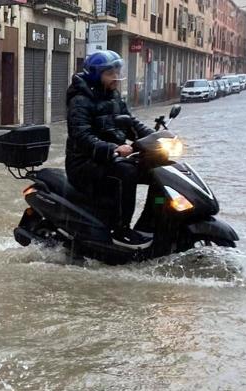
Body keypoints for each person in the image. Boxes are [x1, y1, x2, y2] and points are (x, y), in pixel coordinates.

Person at [65, 50, 154, 249]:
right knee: (127, 172)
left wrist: (157, 137)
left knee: (155, 169)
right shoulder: (80, 100)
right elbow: (81, 136)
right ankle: (120, 231)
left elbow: (131, 123)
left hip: (109, 159)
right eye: (110, 73)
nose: (116, 77)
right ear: (96, 75)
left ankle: (153, 223)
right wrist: (114, 148)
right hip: (84, 163)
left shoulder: (113, 96)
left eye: (117, 71)